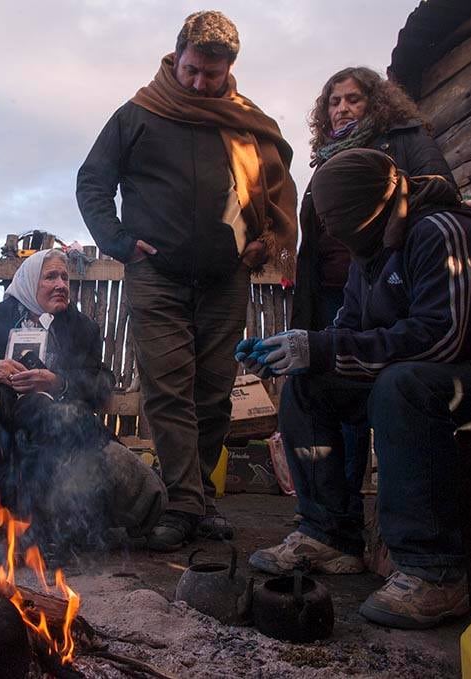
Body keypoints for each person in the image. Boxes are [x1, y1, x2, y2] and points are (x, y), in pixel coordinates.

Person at [242, 149, 471, 629]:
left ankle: (434, 572)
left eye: (334, 217)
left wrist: (323, 347)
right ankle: (329, 534)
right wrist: (303, 349)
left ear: (365, 208)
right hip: (437, 381)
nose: (329, 230)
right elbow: (346, 331)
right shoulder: (369, 258)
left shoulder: (442, 233)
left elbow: (442, 340)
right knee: (308, 383)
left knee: (404, 383)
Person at [76, 10, 298, 551]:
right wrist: (122, 244)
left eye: (212, 75)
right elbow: (93, 182)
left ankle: (197, 499)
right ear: (176, 58)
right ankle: (181, 503)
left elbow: (274, 186)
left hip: (226, 279)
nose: (200, 83)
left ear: (229, 71)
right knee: (169, 387)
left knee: (215, 393)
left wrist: (264, 242)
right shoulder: (138, 114)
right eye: (193, 70)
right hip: (158, 276)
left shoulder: (244, 122)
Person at [0, 250, 165, 550]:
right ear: (28, 282)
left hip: (54, 424)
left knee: (41, 411)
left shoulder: (81, 329)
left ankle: (48, 529)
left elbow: (100, 386)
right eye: (50, 276)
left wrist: (57, 381)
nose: (61, 284)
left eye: (65, 277)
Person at [290, 67, 458, 532]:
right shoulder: (324, 158)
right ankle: (331, 523)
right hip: (340, 289)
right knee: (318, 379)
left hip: (400, 283)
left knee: (389, 386)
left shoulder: (402, 139)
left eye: (352, 99)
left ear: (376, 103)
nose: (341, 108)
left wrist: (392, 206)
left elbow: (441, 188)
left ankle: (400, 527)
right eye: (333, 102)